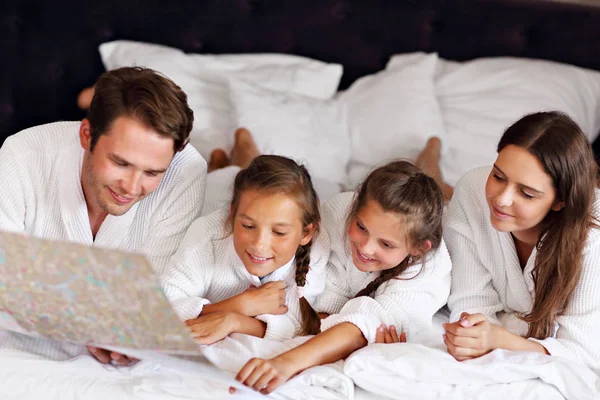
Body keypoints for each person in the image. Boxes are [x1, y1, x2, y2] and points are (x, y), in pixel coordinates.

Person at [0, 66, 207, 365]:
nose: (132, 187)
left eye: (152, 172)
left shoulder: (186, 173)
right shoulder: (22, 157)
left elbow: (158, 289)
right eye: (120, 163)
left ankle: (231, 156)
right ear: (87, 135)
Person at [234, 160, 452, 394]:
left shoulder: (427, 273)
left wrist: (285, 363)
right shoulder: (338, 213)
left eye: (386, 244)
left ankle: (431, 155)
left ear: (418, 248)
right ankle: (244, 154)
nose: (366, 248)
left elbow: (361, 326)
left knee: (435, 180)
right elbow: (313, 301)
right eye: (361, 227)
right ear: (355, 207)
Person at [443, 111, 600, 374]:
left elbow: (583, 351)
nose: (501, 199)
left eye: (526, 193)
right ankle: (431, 156)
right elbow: (471, 303)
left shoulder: (592, 237)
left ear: (560, 201)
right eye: (498, 176)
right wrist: (477, 332)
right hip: (454, 204)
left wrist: (500, 340)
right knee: (434, 196)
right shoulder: (473, 189)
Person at [160, 154, 330, 344]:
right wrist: (241, 305)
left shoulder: (316, 249)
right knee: (220, 177)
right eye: (249, 226)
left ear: (306, 234)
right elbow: (163, 305)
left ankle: (241, 155)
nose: (259, 244)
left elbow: (298, 325)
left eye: (279, 232)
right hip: (215, 195)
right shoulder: (206, 235)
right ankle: (223, 164)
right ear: (232, 215)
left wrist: (234, 321)